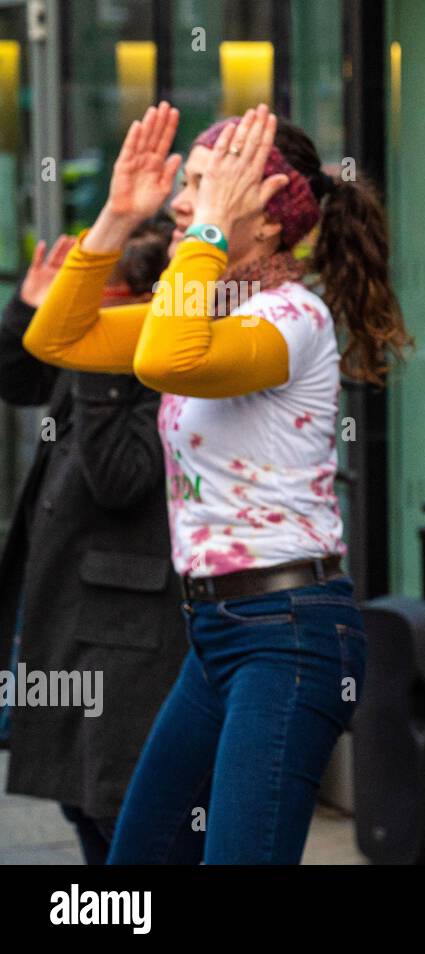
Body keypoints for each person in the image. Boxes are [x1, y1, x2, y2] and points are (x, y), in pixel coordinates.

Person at [23, 101, 412, 863]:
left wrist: (199, 239)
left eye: (202, 187)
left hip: (289, 632)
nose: (179, 201)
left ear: (263, 218)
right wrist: (114, 216)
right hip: (214, 634)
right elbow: (55, 337)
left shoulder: (294, 317)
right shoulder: (210, 306)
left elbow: (168, 360)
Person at [0, 217, 184, 865]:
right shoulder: (84, 342)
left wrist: (95, 354)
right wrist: (29, 305)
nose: (70, 307)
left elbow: (120, 477)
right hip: (63, 608)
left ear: (129, 299)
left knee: (116, 804)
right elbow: (15, 378)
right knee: (72, 793)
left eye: (90, 291)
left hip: (127, 627)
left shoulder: (160, 356)